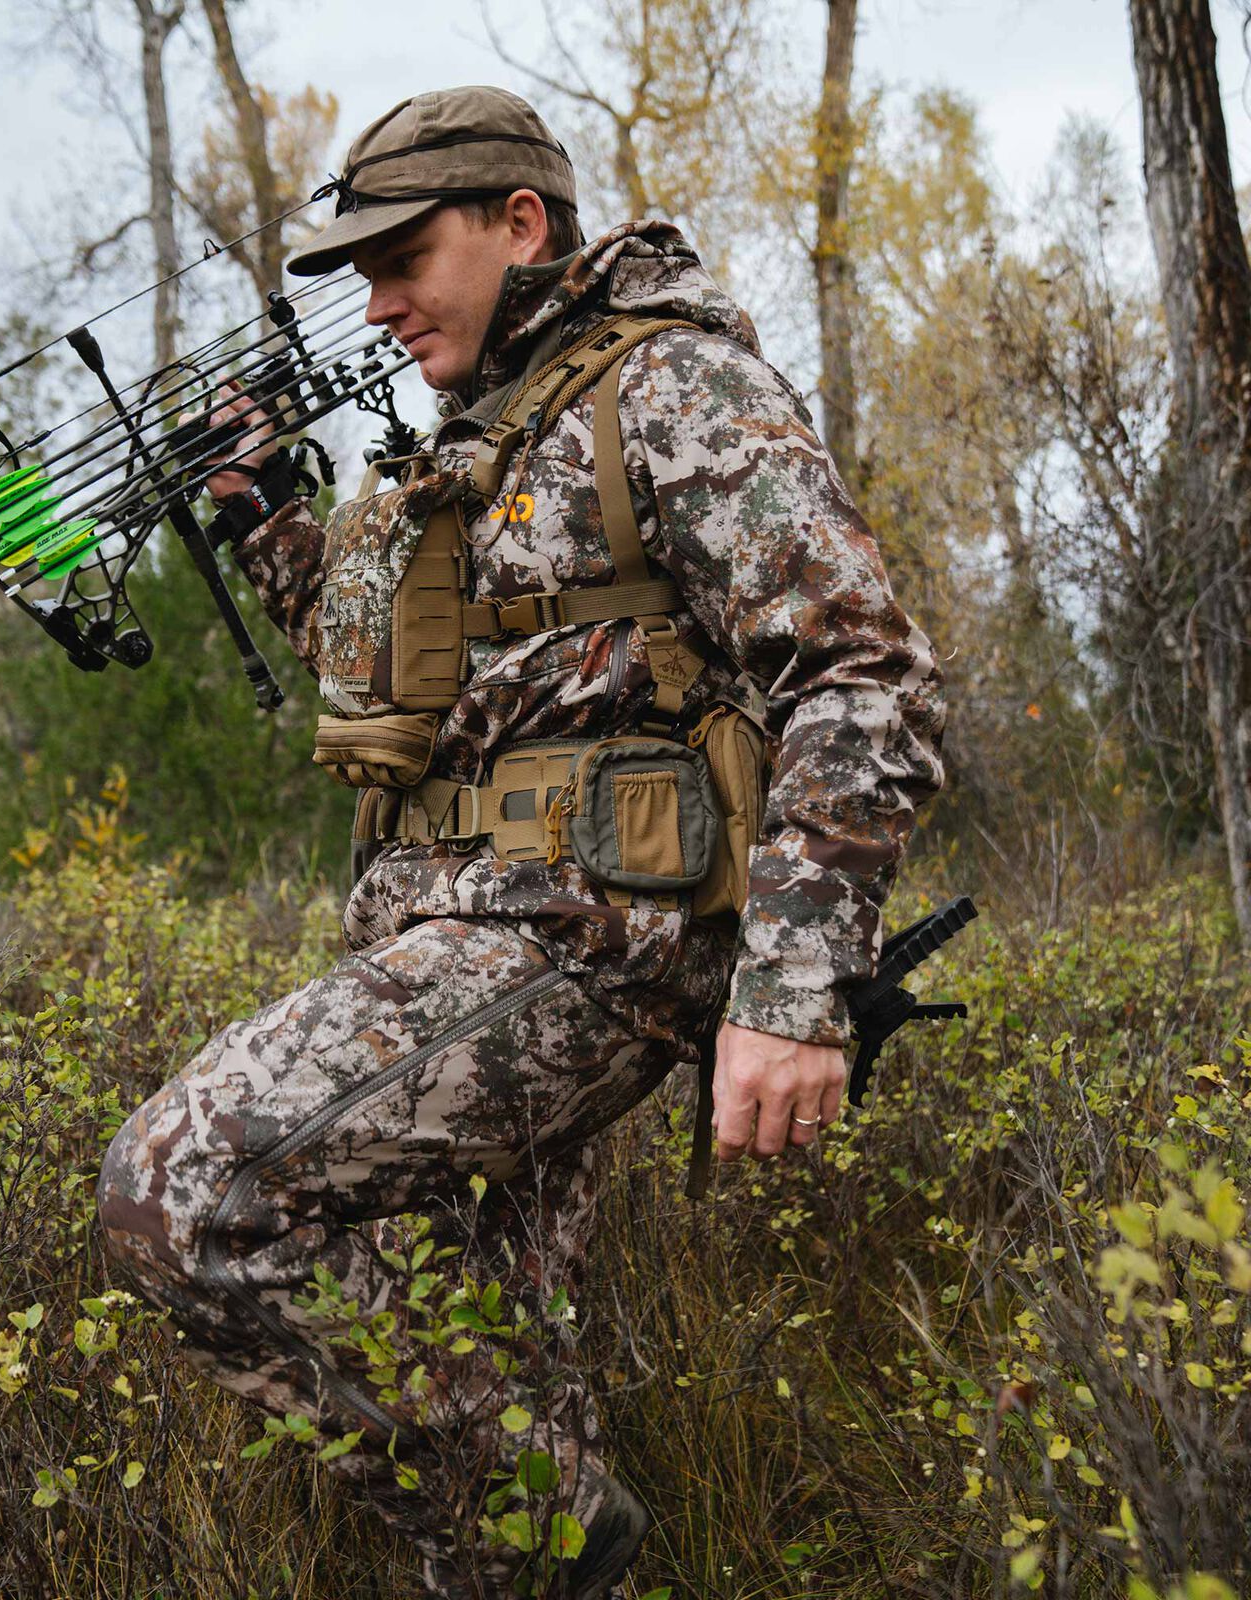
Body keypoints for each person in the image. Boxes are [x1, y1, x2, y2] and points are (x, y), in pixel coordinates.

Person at [97, 85, 945, 1600]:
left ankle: (553, 1542)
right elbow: (420, 687)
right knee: (509, 1367)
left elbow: (860, 673)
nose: (380, 301)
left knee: (186, 1185)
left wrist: (795, 991)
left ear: (521, 224)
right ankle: (550, 1558)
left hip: (574, 943)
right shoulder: (480, 438)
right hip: (451, 938)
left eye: (403, 254)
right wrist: (274, 522)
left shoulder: (671, 386)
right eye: (362, 271)